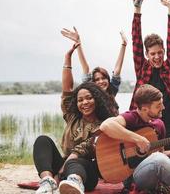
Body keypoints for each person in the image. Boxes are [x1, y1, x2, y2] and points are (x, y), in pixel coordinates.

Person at [33, 43, 115, 194]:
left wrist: (68, 164)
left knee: (77, 162)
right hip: (64, 165)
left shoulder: (105, 124)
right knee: (42, 140)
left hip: (86, 171)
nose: (84, 103)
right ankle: (47, 182)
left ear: (97, 100)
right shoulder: (72, 117)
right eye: (80, 100)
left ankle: (73, 183)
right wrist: (67, 58)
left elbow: (87, 147)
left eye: (89, 98)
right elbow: (67, 88)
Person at [129, 0, 170, 150]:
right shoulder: (142, 68)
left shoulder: (169, 67)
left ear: (164, 52)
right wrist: (137, 8)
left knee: (169, 159)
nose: (157, 57)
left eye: (160, 52)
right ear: (147, 54)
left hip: (168, 124)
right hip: (144, 123)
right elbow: (136, 39)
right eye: (153, 54)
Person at [61, 27, 128, 114]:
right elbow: (85, 68)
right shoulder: (90, 92)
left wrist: (124, 45)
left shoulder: (111, 90)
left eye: (104, 78)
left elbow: (117, 69)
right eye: (97, 79)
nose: (101, 81)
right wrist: (78, 43)